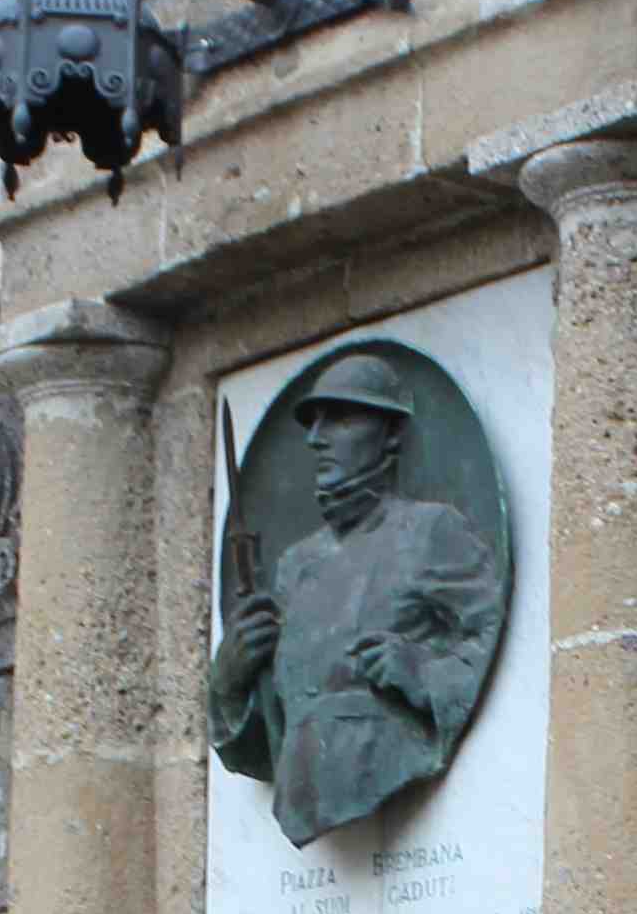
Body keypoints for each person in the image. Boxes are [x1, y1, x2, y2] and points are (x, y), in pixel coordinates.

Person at [209, 352, 504, 849]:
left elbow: (492, 635)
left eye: (341, 417)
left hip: (383, 760)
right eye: (314, 422)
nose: (316, 437)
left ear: (390, 434)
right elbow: (271, 729)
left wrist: (422, 673)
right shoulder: (297, 564)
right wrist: (230, 681)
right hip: (305, 783)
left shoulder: (429, 530)